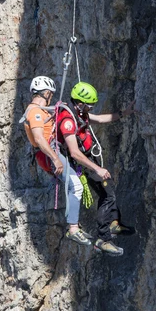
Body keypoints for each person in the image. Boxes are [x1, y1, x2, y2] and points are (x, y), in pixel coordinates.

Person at [56, 81, 135, 256]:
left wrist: (124, 113)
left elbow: (100, 119)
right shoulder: (68, 121)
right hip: (82, 162)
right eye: (89, 104)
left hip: (88, 160)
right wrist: (96, 169)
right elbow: (74, 153)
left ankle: (113, 224)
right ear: (80, 102)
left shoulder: (80, 114)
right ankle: (103, 239)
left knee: (108, 189)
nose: (91, 107)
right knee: (107, 194)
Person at [22, 76, 92, 246]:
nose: (51, 97)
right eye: (50, 94)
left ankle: (74, 224)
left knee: (73, 185)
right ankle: (73, 228)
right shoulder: (35, 112)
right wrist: (55, 159)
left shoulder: (40, 110)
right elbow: (39, 138)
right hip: (49, 154)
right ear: (46, 93)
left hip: (50, 153)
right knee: (75, 185)